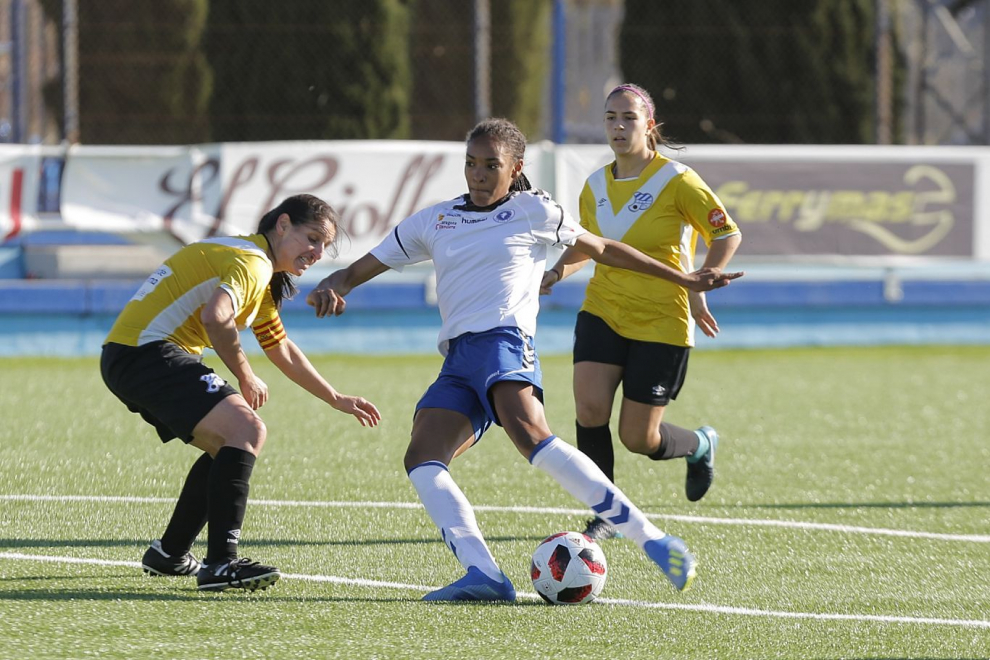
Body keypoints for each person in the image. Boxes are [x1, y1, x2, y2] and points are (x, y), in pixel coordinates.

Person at [307, 118, 742, 601]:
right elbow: (361, 267)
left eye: (491, 165)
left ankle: (653, 539)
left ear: (515, 169)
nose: (478, 174)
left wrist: (682, 280)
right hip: (457, 360)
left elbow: (603, 249)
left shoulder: (534, 211)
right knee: (422, 455)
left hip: (504, 344)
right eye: (471, 163)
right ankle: (485, 575)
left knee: (531, 436)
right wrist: (334, 285)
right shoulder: (435, 219)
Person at [100, 194, 381, 592]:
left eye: (324, 246)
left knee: (228, 442)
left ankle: (170, 553)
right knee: (248, 431)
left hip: (130, 355)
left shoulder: (254, 264)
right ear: (282, 225)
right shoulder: (253, 263)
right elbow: (215, 317)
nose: (317, 252)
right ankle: (220, 565)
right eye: (312, 238)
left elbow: (279, 346)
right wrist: (245, 375)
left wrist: (335, 398)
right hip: (147, 354)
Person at [540, 83, 742, 542]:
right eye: (610, 117)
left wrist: (703, 281)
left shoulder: (679, 180)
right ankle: (608, 511)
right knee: (589, 408)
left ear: (649, 126)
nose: (617, 126)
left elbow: (726, 234)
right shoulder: (594, 186)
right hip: (604, 309)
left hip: (661, 319)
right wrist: (554, 274)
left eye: (628, 117)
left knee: (638, 438)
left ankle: (699, 444)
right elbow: (588, 249)